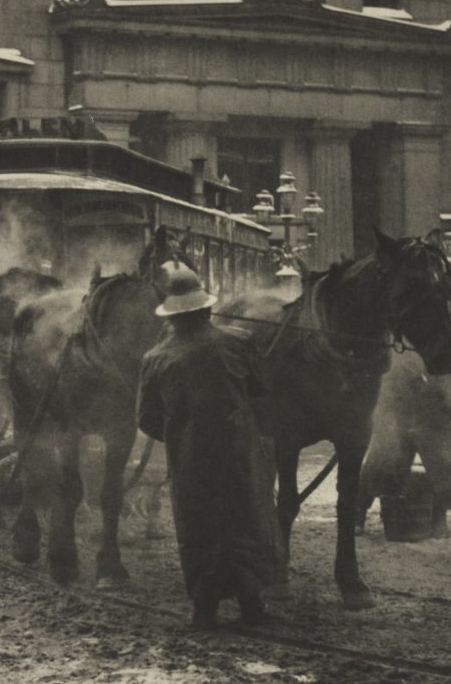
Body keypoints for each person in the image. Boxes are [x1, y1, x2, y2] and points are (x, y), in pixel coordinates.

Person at [136, 266, 281, 631]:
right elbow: (263, 388)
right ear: (205, 309)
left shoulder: (155, 358)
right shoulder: (240, 341)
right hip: (238, 452)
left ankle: (204, 609)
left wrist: (179, 434)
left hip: (189, 460)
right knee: (244, 520)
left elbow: (146, 419)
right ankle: (251, 605)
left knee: (197, 527)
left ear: (172, 316)